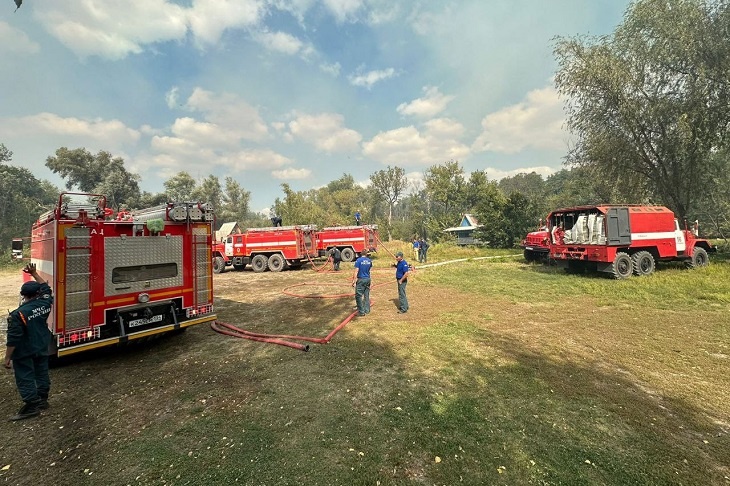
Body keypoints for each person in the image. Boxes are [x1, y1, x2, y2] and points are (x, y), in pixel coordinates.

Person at [4, 263, 54, 421]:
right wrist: (34, 273)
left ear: (23, 295)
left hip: (25, 350)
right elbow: (47, 289)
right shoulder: (45, 303)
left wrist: (7, 358)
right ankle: (43, 400)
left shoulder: (18, 314)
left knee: (25, 376)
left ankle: (31, 406)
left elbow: (13, 339)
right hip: (42, 344)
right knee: (41, 371)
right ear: (38, 293)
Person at [351, 250, 372, 316]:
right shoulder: (369, 261)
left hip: (361, 279)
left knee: (358, 295)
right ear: (366, 254)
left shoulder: (358, 260)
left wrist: (354, 281)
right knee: (366, 295)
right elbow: (369, 270)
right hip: (368, 279)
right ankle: (367, 310)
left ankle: (361, 312)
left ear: (361, 254)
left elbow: (356, 271)